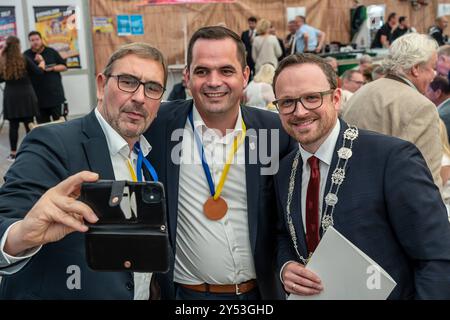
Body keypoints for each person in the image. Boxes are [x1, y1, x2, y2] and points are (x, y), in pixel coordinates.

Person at [272, 53, 450, 299]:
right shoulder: (284, 170)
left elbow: (438, 256)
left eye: (312, 98)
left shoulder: (391, 158)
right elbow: (284, 235)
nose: (299, 111)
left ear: (336, 98)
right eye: (287, 102)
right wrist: (285, 268)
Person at [0, 42, 167, 299]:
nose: (140, 97)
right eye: (128, 81)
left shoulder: (149, 154)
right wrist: (22, 234)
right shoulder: (52, 142)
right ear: (101, 86)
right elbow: (5, 220)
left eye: (153, 88)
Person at [145, 26, 295, 300]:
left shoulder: (274, 132)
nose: (214, 82)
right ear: (187, 77)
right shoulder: (156, 126)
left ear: (245, 75)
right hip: (186, 296)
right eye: (202, 71)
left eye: (226, 71)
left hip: (260, 294)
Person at [343, 33, 443, 188]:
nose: (434, 75)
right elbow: (426, 179)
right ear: (416, 69)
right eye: (432, 68)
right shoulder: (422, 107)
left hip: (351, 196)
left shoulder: (362, 92)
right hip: (390, 204)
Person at [0, 36, 43, 161]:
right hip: (26, 95)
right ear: (18, 46)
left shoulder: (3, 62)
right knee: (28, 123)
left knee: (13, 126)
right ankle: (32, 150)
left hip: (11, 97)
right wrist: (41, 63)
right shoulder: (24, 59)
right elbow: (38, 72)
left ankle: (13, 153)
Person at [24, 31, 67, 124]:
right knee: (43, 128)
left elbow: (64, 67)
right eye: (32, 40)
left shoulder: (51, 51)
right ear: (29, 42)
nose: (35, 42)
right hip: (37, 99)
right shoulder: (26, 55)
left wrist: (52, 68)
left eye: (37, 39)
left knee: (61, 125)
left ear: (41, 40)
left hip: (55, 97)